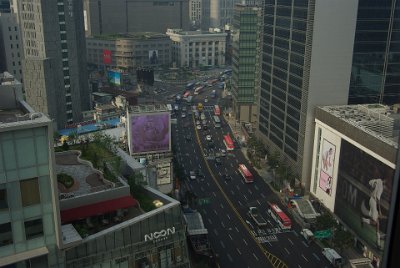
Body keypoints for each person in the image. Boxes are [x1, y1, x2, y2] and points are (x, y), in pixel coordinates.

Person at [361, 177, 384, 249]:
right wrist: (379, 210)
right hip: (374, 202)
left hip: (371, 200)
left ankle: (378, 243)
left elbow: (369, 182)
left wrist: (372, 189)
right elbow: (378, 199)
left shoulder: (376, 180)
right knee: (375, 223)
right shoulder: (381, 186)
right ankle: (363, 219)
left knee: (378, 223)